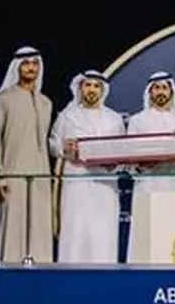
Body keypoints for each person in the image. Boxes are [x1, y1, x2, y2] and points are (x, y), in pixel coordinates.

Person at [50, 70, 125, 263]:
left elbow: (122, 152)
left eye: (96, 86)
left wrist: (113, 163)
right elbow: (52, 144)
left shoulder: (114, 119)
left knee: (103, 235)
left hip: (105, 186)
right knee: (75, 233)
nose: (92, 90)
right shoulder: (67, 116)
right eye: (88, 85)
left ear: (103, 90)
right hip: (76, 183)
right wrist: (63, 147)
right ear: (80, 88)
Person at [125, 71, 175, 263]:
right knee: (146, 231)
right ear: (150, 92)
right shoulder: (137, 120)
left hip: (174, 184)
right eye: (156, 88)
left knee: (174, 230)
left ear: (171, 92)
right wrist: (142, 164)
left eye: (165, 87)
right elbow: (129, 158)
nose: (161, 92)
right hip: (147, 185)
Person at [0, 46, 54, 263]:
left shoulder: (46, 103)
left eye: (35, 64)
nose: (31, 68)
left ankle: (41, 266)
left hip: (40, 175)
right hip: (12, 172)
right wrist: (0, 176)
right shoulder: (2, 100)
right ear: (17, 67)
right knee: (13, 223)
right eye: (26, 64)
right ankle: (9, 269)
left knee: (39, 221)